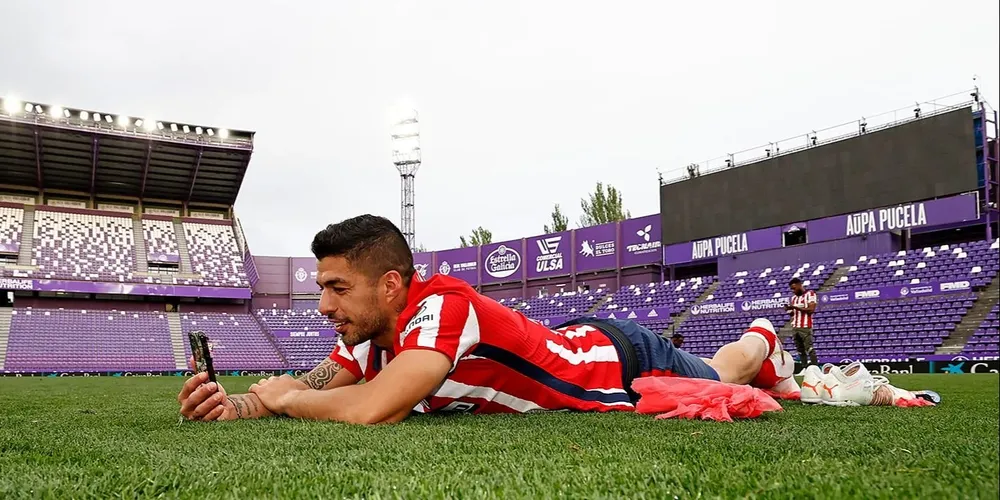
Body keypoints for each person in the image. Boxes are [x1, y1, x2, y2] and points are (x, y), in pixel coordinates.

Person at [178, 215, 796, 424]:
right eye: (322, 288)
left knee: (725, 372)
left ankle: (764, 338)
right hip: (582, 347)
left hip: (619, 357)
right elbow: (319, 384)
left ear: (391, 284)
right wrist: (234, 405)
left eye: (338, 288)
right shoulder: (368, 334)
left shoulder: (443, 305)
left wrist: (285, 401)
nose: (324, 306)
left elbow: (372, 409)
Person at [785, 277, 818, 366]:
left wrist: (795, 307)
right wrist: (789, 310)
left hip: (805, 326)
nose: (793, 291)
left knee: (809, 348)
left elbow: (811, 310)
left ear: (800, 285)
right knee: (800, 350)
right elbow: (793, 314)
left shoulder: (810, 294)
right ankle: (805, 368)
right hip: (795, 327)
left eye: (794, 288)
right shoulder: (793, 298)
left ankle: (815, 368)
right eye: (791, 289)